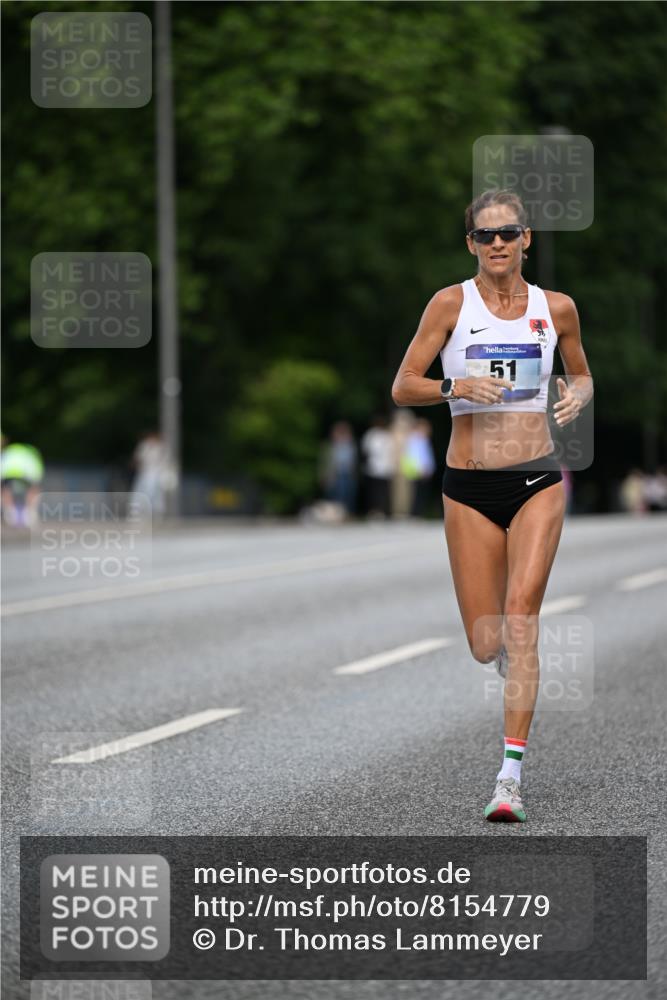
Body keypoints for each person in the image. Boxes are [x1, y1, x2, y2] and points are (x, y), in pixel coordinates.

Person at [392, 189, 593, 822]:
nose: (498, 243)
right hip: (468, 486)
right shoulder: (450, 304)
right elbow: (402, 386)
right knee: (486, 642)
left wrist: (577, 396)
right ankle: (503, 654)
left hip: (536, 478)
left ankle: (509, 779)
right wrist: (456, 385)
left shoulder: (554, 308)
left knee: (521, 614)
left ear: (526, 238)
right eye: (485, 235)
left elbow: (582, 372)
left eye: (508, 232)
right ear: (471, 244)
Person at [0, 436, 45, 527]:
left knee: (5, 489)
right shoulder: (32, 454)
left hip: (7, 470)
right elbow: (37, 476)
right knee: (34, 488)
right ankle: (29, 512)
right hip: (27, 470)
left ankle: (10, 511)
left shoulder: (8, 451)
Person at [360, 415, 395, 519]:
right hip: (376, 468)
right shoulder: (374, 435)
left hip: (382, 468)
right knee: (376, 491)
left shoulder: (384, 435)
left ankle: (381, 510)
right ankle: (376, 510)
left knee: (381, 491)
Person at [401, 418, 436, 517]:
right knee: (417, 492)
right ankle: (415, 512)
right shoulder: (415, 439)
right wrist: (422, 469)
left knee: (420, 492)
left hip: (422, 470)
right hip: (417, 470)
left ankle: (418, 512)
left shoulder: (423, 439)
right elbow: (416, 456)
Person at [321, 421, 358, 516]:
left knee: (348, 494)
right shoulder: (331, 446)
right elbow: (325, 463)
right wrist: (324, 476)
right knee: (336, 494)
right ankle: (336, 513)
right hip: (335, 474)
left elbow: (353, 462)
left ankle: (347, 512)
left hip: (347, 473)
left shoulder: (350, 446)